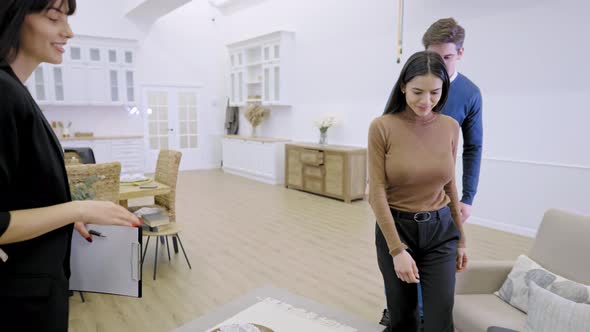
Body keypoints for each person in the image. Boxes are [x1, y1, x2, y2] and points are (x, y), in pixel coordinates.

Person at [0, 1, 141, 330]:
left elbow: (18, 199)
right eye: (53, 17)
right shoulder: (4, 94)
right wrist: (76, 210)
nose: (68, 31)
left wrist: (64, 216)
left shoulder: (17, 92)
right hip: (19, 301)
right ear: (14, 16)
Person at [379, 18, 483, 328]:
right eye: (433, 56)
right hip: (404, 202)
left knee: (438, 280)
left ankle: (425, 316)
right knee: (404, 280)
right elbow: (388, 130)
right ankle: (407, 314)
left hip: (440, 198)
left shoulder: (469, 94)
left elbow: (473, 148)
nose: (426, 101)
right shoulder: (411, 88)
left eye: (446, 57)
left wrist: (467, 197)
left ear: (460, 53)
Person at [369, 51, 468, 332]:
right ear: (403, 86)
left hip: (440, 232)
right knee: (403, 320)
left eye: (435, 93)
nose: (426, 101)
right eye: (417, 92)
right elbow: (375, 192)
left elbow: (449, 185)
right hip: (398, 230)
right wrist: (397, 250)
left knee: (439, 321)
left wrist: (461, 239)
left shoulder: (450, 127)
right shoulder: (382, 127)